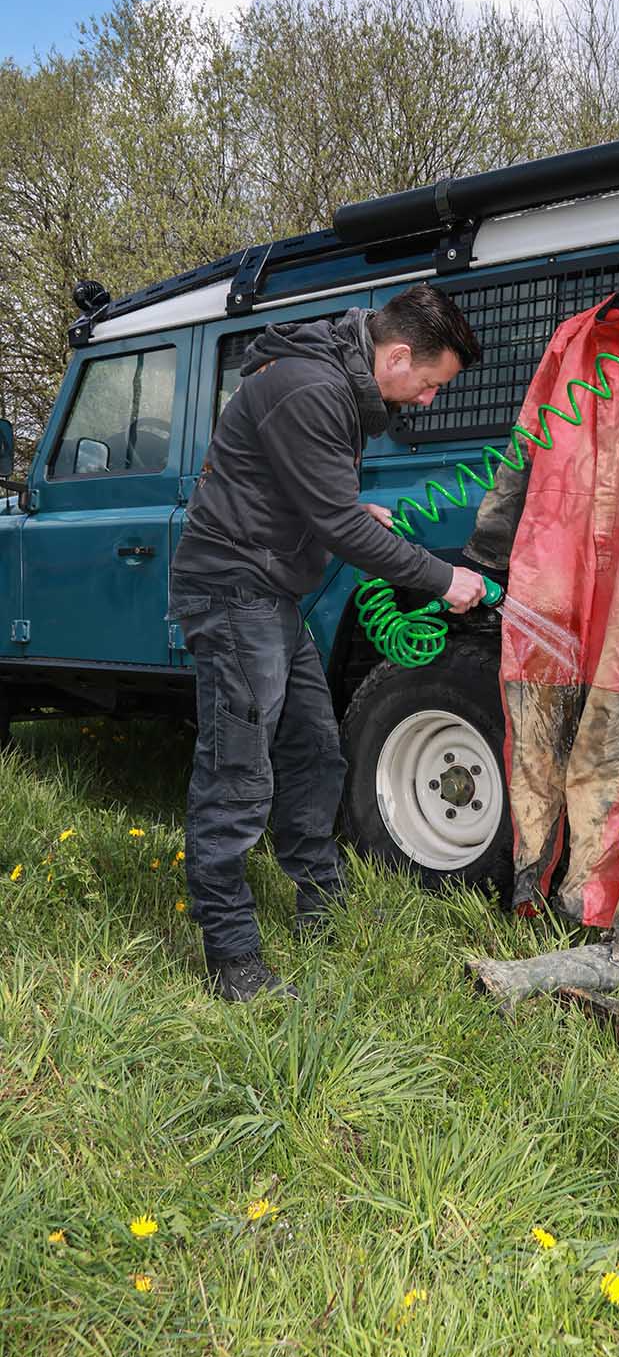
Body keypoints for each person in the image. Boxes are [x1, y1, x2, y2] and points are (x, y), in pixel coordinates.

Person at [168, 283, 486, 1001]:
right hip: (232, 590)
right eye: (431, 385)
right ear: (398, 355)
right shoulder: (312, 387)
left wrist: (342, 505)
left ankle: (322, 903)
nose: (430, 401)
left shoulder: (337, 384)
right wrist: (443, 580)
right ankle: (233, 956)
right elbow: (341, 532)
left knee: (314, 749)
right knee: (237, 772)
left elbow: (307, 499)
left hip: (271, 591)